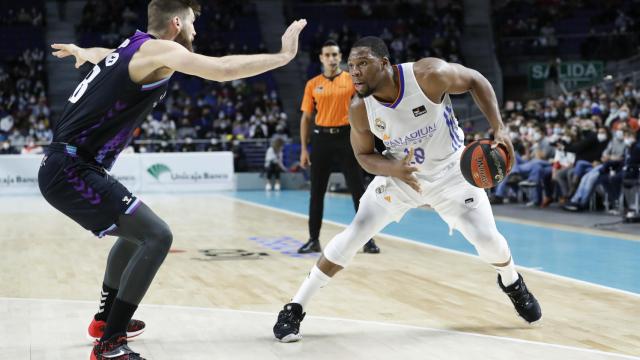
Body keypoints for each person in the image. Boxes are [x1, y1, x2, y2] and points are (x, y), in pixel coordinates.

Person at [41, 1, 306, 358]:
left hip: (69, 165)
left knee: (137, 236)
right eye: (194, 23)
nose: (196, 31)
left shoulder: (130, 48)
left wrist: (81, 51)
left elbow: (103, 56)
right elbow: (221, 69)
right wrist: (282, 56)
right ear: (177, 23)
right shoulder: (161, 49)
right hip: (71, 168)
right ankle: (110, 344)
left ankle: (105, 321)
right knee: (157, 235)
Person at [273, 36, 541, 342]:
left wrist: (499, 127)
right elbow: (363, 156)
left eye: (362, 64)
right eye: (351, 66)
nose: (355, 72)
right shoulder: (360, 108)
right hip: (400, 178)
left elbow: (476, 80)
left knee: (488, 242)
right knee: (354, 234)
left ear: (384, 64)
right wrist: (393, 169)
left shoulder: (428, 75)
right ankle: (295, 307)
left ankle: (512, 281)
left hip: (452, 174)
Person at [298, 39, 379, 254]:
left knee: (358, 191)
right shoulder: (312, 84)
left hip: (347, 137)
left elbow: (366, 109)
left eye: (335, 54)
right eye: (328, 55)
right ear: (321, 58)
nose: (332, 58)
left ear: (340, 57)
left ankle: (367, 240)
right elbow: (306, 118)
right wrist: (304, 149)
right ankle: (313, 239)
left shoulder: (352, 80)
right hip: (321, 139)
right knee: (316, 193)